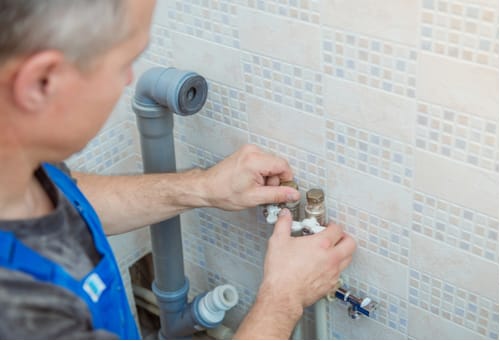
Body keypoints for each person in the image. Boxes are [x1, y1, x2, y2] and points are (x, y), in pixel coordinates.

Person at [0, 0, 356, 339]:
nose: (128, 80)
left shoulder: (17, 169)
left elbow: (72, 199)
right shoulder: (24, 314)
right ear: (40, 82)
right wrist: (283, 299)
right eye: (125, 61)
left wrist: (202, 187)